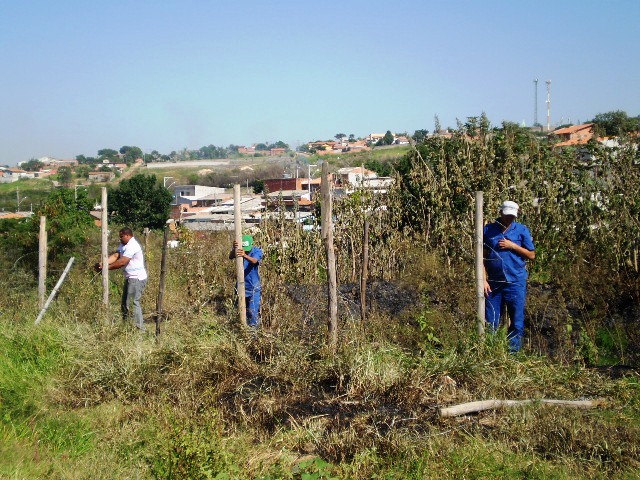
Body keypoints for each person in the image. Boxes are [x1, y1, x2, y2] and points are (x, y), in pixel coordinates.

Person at [483, 201, 535, 352]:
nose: (509, 218)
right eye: (507, 215)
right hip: (494, 283)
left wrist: (513, 246)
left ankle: (512, 355)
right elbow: (482, 256)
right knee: (491, 320)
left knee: (517, 322)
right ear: (501, 213)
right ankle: (490, 352)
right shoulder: (488, 230)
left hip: (516, 281)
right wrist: (484, 280)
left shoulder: (521, 230)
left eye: (512, 216)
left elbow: (531, 254)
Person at [95, 227, 148, 331]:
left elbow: (122, 262)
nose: (120, 239)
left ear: (128, 235)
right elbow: (116, 256)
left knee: (133, 304)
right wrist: (103, 264)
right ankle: (127, 328)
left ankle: (139, 330)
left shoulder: (132, 245)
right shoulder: (124, 245)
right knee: (125, 304)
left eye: (121, 236)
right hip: (130, 278)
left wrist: (106, 268)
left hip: (136, 278)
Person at [229, 234, 263, 328]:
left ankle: (253, 332)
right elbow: (230, 257)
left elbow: (254, 261)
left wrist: (244, 255)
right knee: (240, 310)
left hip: (253, 288)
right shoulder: (239, 250)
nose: (245, 250)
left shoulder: (257, 251)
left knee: (252, 312)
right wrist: (234, 248)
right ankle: (242, 328)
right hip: (240, 286)